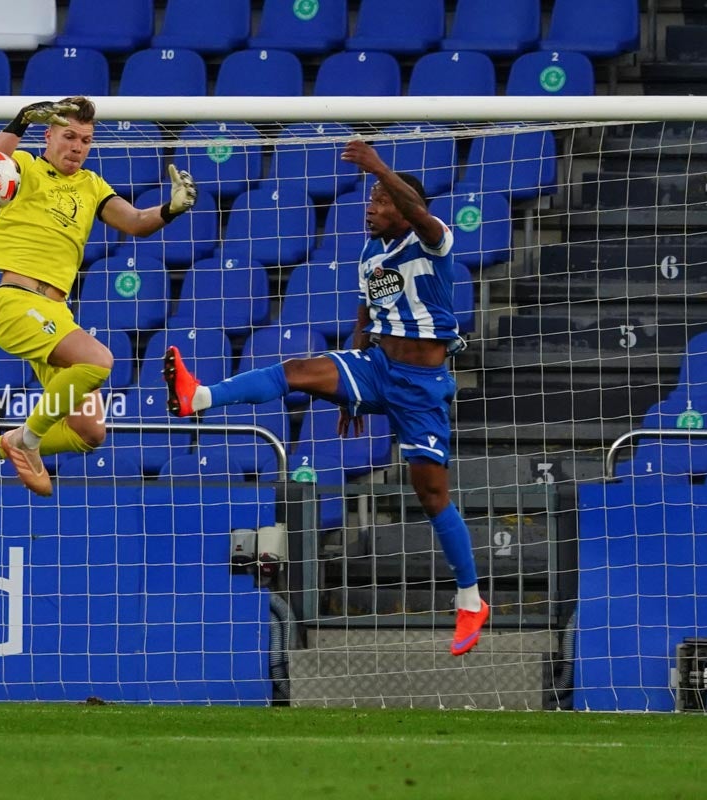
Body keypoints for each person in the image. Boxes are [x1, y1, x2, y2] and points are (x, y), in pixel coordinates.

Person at [163, 139, 489, 656]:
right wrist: (347, 396)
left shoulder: (432, 242)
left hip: (421, 388)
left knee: (431, 496)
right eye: (371, 198)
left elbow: (420, 214)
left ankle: (470, 600)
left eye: (382, 200)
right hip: (376, 367)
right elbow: (368, 316)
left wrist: (379, 165)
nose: (371, 206)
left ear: (404, 209)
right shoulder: (370, 256)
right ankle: (198, 396)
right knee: (297, 370)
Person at [0, 96, 198, 508]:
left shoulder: (92, 185)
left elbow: (136, 222)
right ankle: (26, 442)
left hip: (55, 312)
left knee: (89, 433)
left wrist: (171, 209)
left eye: (85, 139)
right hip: (18, 302)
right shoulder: (25, 167)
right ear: (48, 135)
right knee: (98, 360)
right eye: (69, 136)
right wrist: (21, 118)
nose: (78, 146)